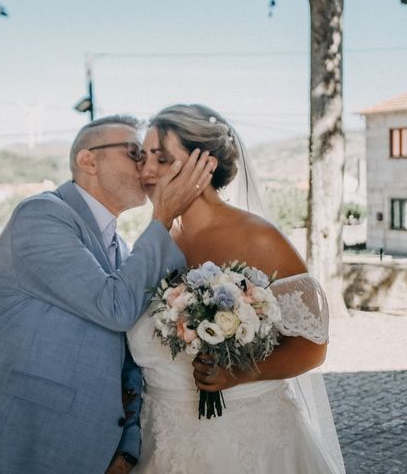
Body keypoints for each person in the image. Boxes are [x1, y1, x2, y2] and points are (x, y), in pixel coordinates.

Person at [0, 114, 216, 474]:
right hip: (23, 436)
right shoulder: (41, 215)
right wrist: (162, 218)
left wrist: (127, 446)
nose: (146, 167)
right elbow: (116, 308)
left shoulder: (122, 248)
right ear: (89, 160)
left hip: (93, 448)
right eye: (135, 153)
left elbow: (128, 357)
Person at [127, 104, 346, 473]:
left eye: (162, 159)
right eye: (143, 157)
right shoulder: (157, 241)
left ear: (205, 165)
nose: (146, 171)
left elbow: (312, 347)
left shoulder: (258, 238)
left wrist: (238, 374)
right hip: (162, 440)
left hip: (248, 445)